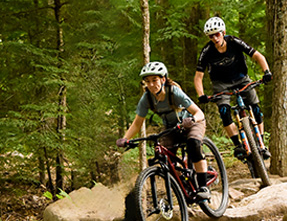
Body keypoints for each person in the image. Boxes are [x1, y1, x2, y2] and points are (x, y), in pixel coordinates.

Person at [116, 61, 210, 200]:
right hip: (172, 129)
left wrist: (192, 120)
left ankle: (203, 187)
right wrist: (125, 139)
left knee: (193, 144)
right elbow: (137, 123)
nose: (152, 84)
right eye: (148, 81)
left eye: (155, 80)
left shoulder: (174, 92)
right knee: (163, 158)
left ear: (163, 79)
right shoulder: (147, 98)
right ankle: (183, 184)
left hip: (191, 123)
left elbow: (199, 113)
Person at [194, 16, 272, 159]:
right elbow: (198, 76)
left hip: (242, 78)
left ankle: (261, 143)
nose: (215, 38)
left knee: (255, 107)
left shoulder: (234, 42)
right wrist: (201, 95)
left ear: (223, 32)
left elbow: (257, 55)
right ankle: (238, 145)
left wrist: (266, 72)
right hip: (221, 84)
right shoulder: (207, 51)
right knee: (224, 111)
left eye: (217, 34)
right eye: (211, 36)